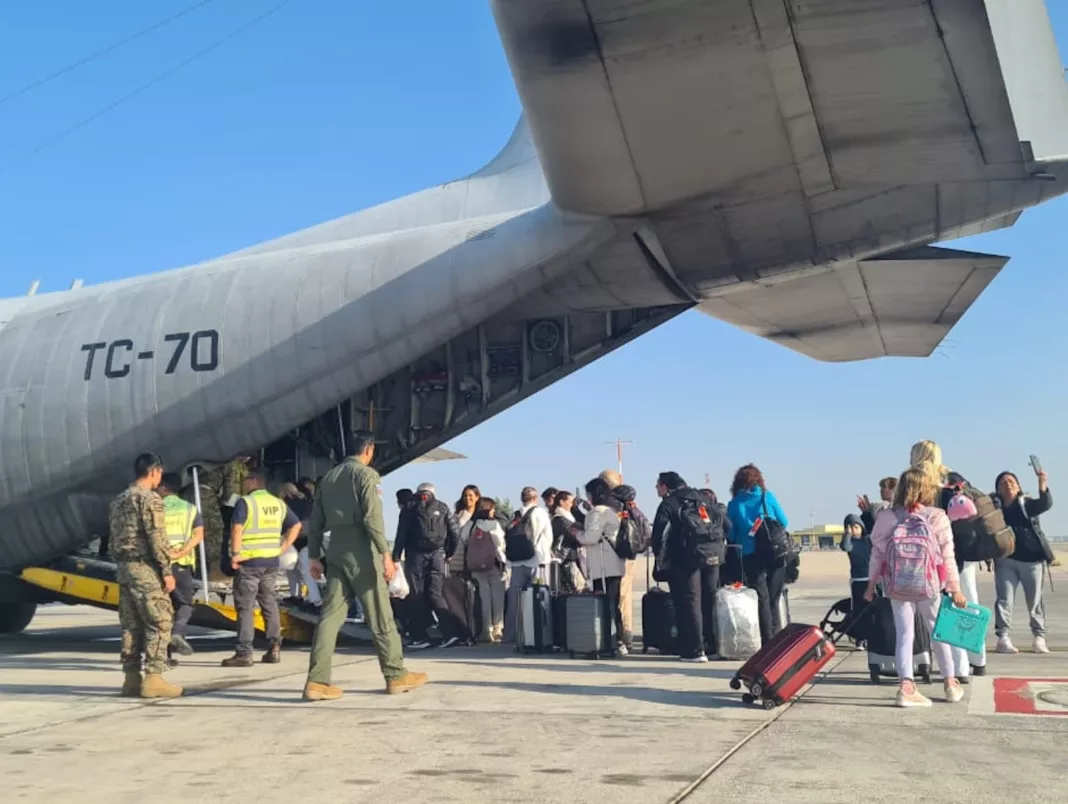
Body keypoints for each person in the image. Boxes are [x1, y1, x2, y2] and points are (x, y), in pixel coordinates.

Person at [303, 430, 428, 700]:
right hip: (362, 550)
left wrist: (314, 556)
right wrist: (386, 553)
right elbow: (373, 517)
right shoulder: (367, 476)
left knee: (329, 617)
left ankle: (317, 680)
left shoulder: (328, 478)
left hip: (335, 550)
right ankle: (395, 674)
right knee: (381, 615)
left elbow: (315, 522)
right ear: (369, 450)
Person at [865, 466, 966, 708]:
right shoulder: (937, 516)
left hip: (896, 585)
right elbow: (947, 555)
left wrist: (870, 585)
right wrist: (955, 587)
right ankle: (950, 683)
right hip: (929, 584)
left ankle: (907, 687)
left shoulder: (887, 517)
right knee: (937, 632)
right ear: (927, 489)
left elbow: (877, 555)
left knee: (905, 634)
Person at [108, 453, 182, 699]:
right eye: (159, 473)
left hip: (124, 568)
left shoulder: (119, 500)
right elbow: (157, 538)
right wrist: (167, 571)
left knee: (131, 624)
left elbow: (113, 539)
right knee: (159, 620)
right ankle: (154, 678)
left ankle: (131, 678)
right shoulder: (150, 499)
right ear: (154, 471)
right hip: (145, 568)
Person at [221, 471, 302, 667]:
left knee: (245, 606)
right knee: (269, 603)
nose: (244, 485)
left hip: (249, 562)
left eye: (246, 481)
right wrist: (282, 547)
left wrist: (235, 553)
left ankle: (244, 652)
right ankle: (274, 648)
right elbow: (296, 525)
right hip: (271, 562)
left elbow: (237, 528)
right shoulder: (278, 503)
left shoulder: (246, 502)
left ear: (254, 482)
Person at [651, 472, 726, 662]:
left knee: (690, 601)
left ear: (666, 486)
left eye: (658, 485)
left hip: (684, 558)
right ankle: (713, 646)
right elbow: (727, 524)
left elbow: (659, 536)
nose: (656, 489)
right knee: (710, 599)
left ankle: (694, 649)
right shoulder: (704, 498)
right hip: (712, 556)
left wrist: (661, 556)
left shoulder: (669, 503)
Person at [393, 482, 463, 649]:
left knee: (416, 594)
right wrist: (449, 552)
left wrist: (395, 556)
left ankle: (421, 637)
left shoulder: (410, 506)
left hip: (415, 555)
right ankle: (450, 633)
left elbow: (401, 533)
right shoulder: (443, 507)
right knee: (436, 594)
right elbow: (455, 533)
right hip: (438, 555)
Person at [726, 464, 789, 644]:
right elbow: (784, 521)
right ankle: (777, 636)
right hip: (774, 552)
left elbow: (731, 533)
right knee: (774, 596)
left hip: (750, 553)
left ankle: (766, 639)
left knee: (762, 597)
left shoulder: (735, 503)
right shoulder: (767, 497)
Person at [993, 469, 1054, 655]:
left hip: (1032, 561)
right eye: (1003, 482)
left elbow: (1045, 503)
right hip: (1006, 561)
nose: (1008, 484)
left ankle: (1039, 637)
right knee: (1004, 600)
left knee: (1034, 601)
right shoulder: (995, 509)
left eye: (1011, 481)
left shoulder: (1026, 504)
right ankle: (1003, 638)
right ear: (997, 489)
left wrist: (1042, 483)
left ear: (1018, 486)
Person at [575, 477, 629, 655]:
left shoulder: (598, 512)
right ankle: (619, 640)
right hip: (614, 564)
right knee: (613, 603)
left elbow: (590, 537)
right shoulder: (611, 511)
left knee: (605, 605)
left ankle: (608, 640)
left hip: (603, 565)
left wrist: (577, 533)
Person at [157, 473, 203, 665]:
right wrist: (182, 551)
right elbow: (199, 534)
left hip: (160, 564)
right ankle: (177, 632)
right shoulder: (190, 509)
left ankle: (164, 656)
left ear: (165, 488)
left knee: (162, 610)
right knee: (184, 605)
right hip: (182, 563)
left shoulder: (156, 507)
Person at [502, 486, 554, 643]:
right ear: (535, 498)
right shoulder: (540, 513)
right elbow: (547, 537)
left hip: (516, 561)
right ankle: (537, 634)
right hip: (537, 560)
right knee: (539, 598)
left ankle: (510, 635)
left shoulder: (515, 514)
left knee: (514, 600)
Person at [462, 496, 507, 642]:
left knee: (483, 598)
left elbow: (463, 539)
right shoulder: (494, 525)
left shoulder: (471, 524)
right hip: (493, 565)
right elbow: (500, 543)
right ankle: (498, 629)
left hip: (475, 566)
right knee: (497, 598)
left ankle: (485, 630)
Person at [840, 513, 874, 633]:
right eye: (851, 527)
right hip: (858, 581)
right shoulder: (850, 542)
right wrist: (848, 534)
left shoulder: (868, 540)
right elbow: (846, 547)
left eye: (856, 527)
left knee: (872, 608)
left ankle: (872, 633)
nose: (854, 530)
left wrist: (867, 511)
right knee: (858, 609)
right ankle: (860, 636)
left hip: (872, 580)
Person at [549, 491, 585, 594]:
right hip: (565, 558)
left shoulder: (568, 517)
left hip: (570, 557)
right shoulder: (559, 519)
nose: (572, 504)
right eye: (571, 501)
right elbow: (572, 535)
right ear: (561, 502)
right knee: (572, 588)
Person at [450, 484, 481, 576]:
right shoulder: (458, 515)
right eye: (465, 495)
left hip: (477, 555)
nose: (467, 498)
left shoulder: (481, 516)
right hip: (459, 556)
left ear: (477, 497)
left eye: (470, 495)